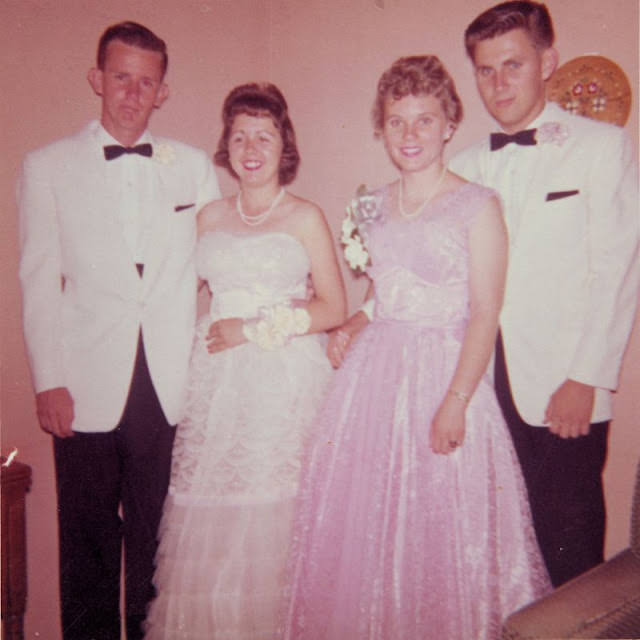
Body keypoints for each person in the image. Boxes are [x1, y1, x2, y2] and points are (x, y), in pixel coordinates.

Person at [280, 55, 550, 640]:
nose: (410, 135)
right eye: (397, 121)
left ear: (450, 124)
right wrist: (353, 322)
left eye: (424, 120)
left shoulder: (478, 205)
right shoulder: (372, 205)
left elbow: (484, 310)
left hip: (446, 376)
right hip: (373, 385)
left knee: (440, 534)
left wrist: (456, 399)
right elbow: (386, 292)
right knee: (366, 533)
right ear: (381, 127)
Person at [18, 21, 220, 640]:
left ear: (162, 92)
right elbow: (37, 281)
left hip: (168, 384)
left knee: (161, 543)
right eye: (121, 77)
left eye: (146, 82)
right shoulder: (46, 166)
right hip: (82, 382)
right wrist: (48, 381)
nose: (132, 93)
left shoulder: (193, 167)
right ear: (97, 79)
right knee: (86, 543)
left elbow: (217, 269)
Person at [143, 82, 346, 639]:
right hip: (215, 382)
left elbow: (332, 306)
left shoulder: (306, 217)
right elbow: (168, 294)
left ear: (285, 145)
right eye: (239, 136)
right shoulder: (206, 217)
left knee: (271, 516)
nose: (251, 147)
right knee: (213, 514)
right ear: (225, 147)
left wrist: (252, 330)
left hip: (282, 382)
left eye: (264, 135)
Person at [450, 1, 639, 587]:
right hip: (481, 386)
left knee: (569, 559)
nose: (498, 84)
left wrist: (588, 376)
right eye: (485, 70)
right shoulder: (459, 167)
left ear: (547, 61)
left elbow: (617, 268)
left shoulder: (601, 146)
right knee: (492, 554)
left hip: (563, 386)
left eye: (512, 65)